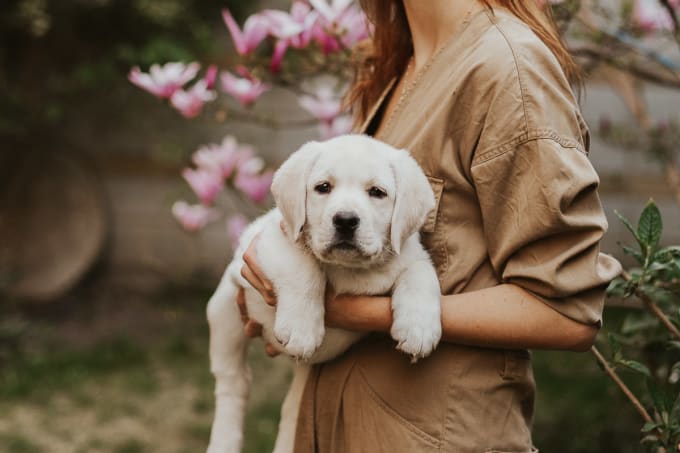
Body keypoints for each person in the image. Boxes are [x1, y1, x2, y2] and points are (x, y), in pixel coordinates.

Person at [238, 0, 622, 451]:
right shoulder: (404, 60)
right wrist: (282, 303)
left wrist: (345, 311)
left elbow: (565, 313)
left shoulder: (507, 68)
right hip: (340, 425)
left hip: (433, 435)